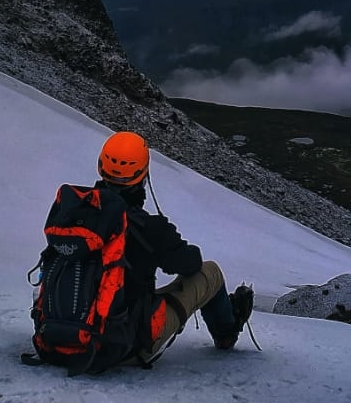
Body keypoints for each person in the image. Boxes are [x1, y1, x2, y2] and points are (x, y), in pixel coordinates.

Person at [95, 130, 254, 363]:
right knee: (210, 272)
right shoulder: (149, 227)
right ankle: (226, 334)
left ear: (101, 167)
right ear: (143, 174)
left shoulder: (68, 210)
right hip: (122, 343)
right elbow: (191, 264)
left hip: (64, 337)